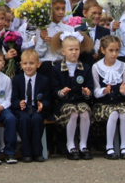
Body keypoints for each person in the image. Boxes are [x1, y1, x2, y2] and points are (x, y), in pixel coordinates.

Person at [49, 31, 94, 160]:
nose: (74, 52)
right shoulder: (57, 69)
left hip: (80, 100)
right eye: (70, 49)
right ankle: (70, 144)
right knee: (73, 112)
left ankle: (83, 144)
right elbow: (54, 90)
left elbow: (90, 87)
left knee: (84, 111)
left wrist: (87, 92)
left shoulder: (85, 68)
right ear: (63, 52)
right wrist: (61, 92)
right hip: (64, 103)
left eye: (76, 49)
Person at [91, 36, 125, 160]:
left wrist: (124, 91)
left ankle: (124, 147)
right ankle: (109, 147)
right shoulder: (96, 67)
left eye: (117, 50)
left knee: (124, 113)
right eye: (111, 50)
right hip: (103, 104)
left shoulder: (123, 66)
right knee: (113, 113)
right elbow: (95, 91)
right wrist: (104, 91)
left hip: (119, 102)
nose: (114, 54)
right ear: (103, 50)